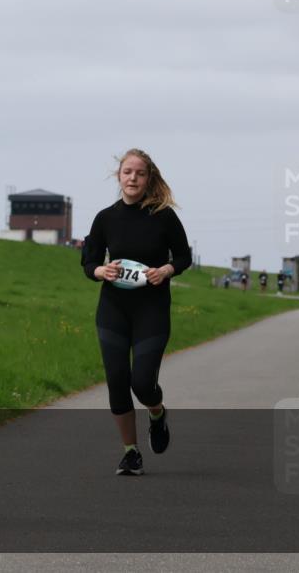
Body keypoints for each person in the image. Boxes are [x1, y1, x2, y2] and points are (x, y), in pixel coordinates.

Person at [81, 148, 191, 476]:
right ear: (119, 176)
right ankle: (131, 453)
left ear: (148, 179)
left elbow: (184, 257)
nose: (133, 178)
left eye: (139, 173)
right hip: (113, 309)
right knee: (117, 380)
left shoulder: (164, 216)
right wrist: (101, 272)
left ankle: (156, 413)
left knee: (142, 384)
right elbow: (88, 261)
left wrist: (166, 270)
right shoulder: (105, 218)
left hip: (152, 310)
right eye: (127, 172)